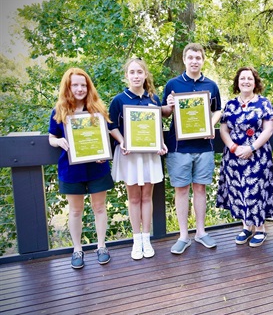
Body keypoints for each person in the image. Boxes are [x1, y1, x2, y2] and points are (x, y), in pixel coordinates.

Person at [49, 68, 114, 269]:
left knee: (99, 207)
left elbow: (108, 137)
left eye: (83, 85)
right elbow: (51, 137)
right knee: (75, 211)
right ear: (67, 87)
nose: (80, 89)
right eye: (75, 85)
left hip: (97, 169)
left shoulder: (97, 110)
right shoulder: (59, 111)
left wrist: (104, 154)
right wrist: (58, 141)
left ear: (89, 87)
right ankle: (77, 249)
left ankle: (101, 246)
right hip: (71, 170)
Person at [162, 43, 222, 254]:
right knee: (181, 189)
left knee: (200, 189)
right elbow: (165, 113)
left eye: (198, 57)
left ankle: (201, 233)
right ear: (185, 60)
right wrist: (168, 105)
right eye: (191, 57)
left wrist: (211, 124)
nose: (194, 61)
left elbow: (217, 111)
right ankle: (183, 236)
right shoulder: (172, 84)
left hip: (204, 147)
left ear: (203, 60)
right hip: (179, 148)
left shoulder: (212, 86)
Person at [109, 58, 168, 260]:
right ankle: (136, 240)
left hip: (149, 154)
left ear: (145, 75)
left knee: (146, 197)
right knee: (134, 198)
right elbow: (111, 126)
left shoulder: (154, 99)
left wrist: (161, 143)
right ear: (127, 76)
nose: (136, 76)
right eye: (132, 72)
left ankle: (146, 238)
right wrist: (122, 141)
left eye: (139, 72)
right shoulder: (118, 100)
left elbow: (157, 125)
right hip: (130, 155)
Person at [217, 66, 273, 247]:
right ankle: (246, 226)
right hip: (234, 156)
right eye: (242, 78)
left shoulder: (264, 103)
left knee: (256, 191)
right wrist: (234, 147)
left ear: (255, 82)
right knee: (239, 190)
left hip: (258, 156)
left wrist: (251, 147)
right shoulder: (230, 105)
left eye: (249, 78)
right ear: (237, 82)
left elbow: (268, 130)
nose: (246, 81)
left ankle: (260, 229)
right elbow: (223, 129)